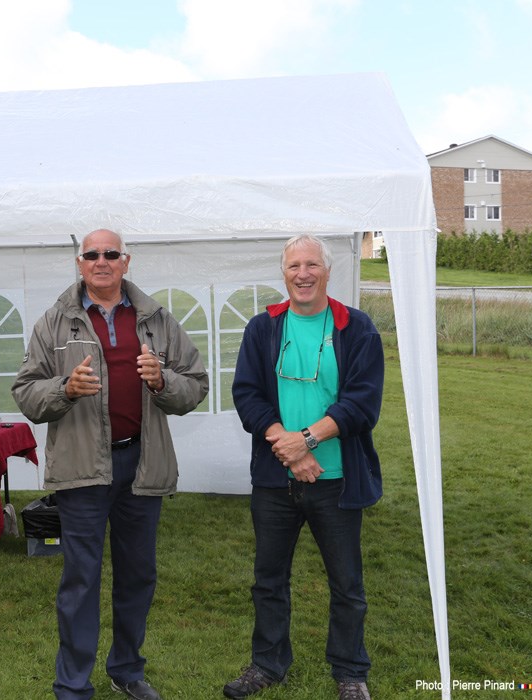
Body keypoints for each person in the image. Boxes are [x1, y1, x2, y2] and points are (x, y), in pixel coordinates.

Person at [13, 229, 208, 700]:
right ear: (79, 264)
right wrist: (65, 389)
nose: (102, 261)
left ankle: (126, 668)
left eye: (111, 254)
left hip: (142, 464)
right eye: (92, 254)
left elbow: (196, 383)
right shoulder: (55, 321)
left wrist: (162, 381)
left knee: (138, 574)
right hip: (83, 471)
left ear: (126, 261)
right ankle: (73, 684)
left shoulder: (156, 319)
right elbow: (25, 391)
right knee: (80, 579)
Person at [224, 235, 384, 700]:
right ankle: (267, 665)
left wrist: (308, 440)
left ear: (328, 271)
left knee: (347, 584)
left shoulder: (356, 328)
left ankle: (350, 671)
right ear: (284, 273)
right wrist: (287, 446)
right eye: (294, 265)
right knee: (268, 580)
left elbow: (362, 403)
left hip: (336, 482)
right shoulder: (263, 327)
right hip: (276, 482)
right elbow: (246, 394)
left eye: (312, 264)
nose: (303, 273)